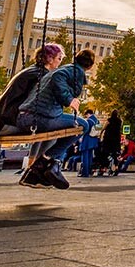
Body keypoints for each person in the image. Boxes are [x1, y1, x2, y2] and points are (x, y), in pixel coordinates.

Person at [16, 49, 96, 189]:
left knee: (72, 125)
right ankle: (50, 163)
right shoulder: (73, 71)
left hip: (27, 115)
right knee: (83, 125)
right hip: (37, 118)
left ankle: (34, 175)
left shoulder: (64, 69)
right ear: (90, 66)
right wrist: (69, 99)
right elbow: (58, 79)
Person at [0, 43, 64, 137]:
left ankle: (40, 152)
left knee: (50, 127)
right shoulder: (41, 76)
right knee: (56, 125)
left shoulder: (32, 70)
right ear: (50, 59)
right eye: (59, 58)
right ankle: (47, 152)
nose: (60, 62)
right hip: (5, 124)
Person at [94, 110, 122, 176]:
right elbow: (119, 129)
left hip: (108, 139)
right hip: (116, 140)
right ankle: (116, 168)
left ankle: (104, 167)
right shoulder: (119, 121)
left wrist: (100, 134)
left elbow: (104, 128)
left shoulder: (109, 120)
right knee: (115, 155)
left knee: (105, 153)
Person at [78, 111, 100, 177]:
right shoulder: (97, 121)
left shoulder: (88, 121)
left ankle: (85, 173)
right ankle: (90, 171)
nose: (86, 116)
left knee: (85, 157)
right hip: (94, 141)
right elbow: (98, 131)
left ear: (88, 114)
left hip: (87, 141)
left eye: (86, 115)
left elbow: (84, 131)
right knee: (90, 157)